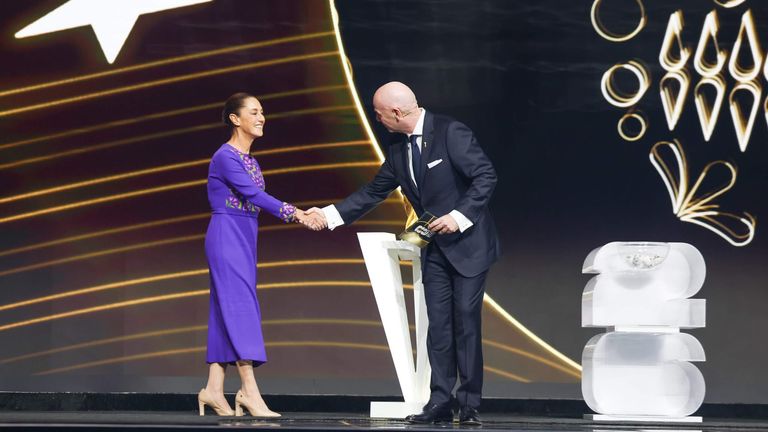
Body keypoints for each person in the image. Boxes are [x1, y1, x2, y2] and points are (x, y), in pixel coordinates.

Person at [308, 82, 499, 425]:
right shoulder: (397, 148)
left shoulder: (449, 132)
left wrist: (458, 217)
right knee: (438, 327)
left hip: (469, 245)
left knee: (464, 322)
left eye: (379, 114)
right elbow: (373, 191)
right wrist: (328, 215)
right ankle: (440, 401)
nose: (378, 120)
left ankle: (469, 403)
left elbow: (485, 177)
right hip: (435, 249)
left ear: (396, 112)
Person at [197, 92, 323, 417]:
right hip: (226, 235)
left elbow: (255, 199)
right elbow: (254, 194)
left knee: (225, 308)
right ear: (235, 119)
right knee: (241, 308)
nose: (261, 117)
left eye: (262, 112)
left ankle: (212, 389)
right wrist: (297, 214)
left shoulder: (251, 160)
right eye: (254, 112)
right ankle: (249, 391)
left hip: (245, 235)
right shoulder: (225, 156)